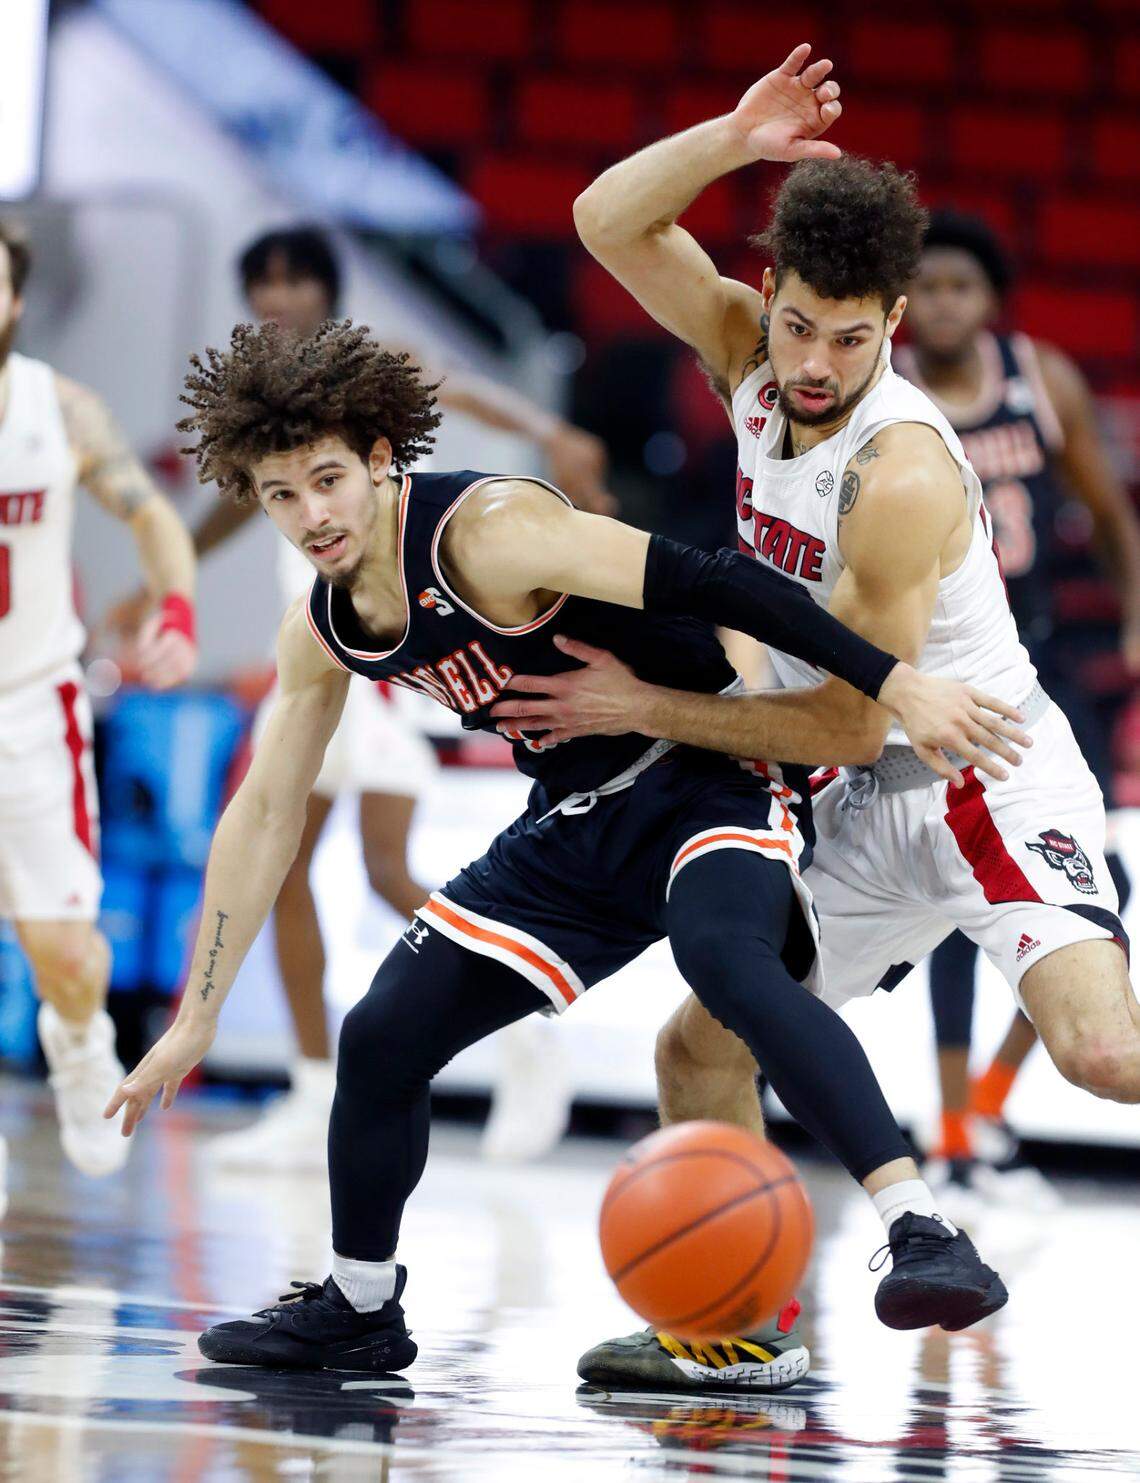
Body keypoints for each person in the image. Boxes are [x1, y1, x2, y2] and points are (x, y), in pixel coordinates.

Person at [106, 310, 1025, 1369]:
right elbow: (264, 811)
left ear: (376, 459)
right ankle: (360, 1306)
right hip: (572, 821)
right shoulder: (322, 627)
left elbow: (714, 577)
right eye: (279, 496)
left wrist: (891, 677)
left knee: (723, 958)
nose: (311, 516)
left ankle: (921, 1227)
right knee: (381, 1038)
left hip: (699, 772)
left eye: (326, 480)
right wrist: (195, 1018)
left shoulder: (491, 534)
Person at [494, 46, 1139, 1395]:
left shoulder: (898, 471)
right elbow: (606, 221)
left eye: (854, 338)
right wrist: (736, 136)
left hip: (979, 777)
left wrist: (636, 703)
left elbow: (852, 723)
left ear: (894, 323)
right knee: (700, 1042)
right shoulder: (748, 353)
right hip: (852, 794)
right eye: (798, 326)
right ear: (767, 298)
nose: (818, 364)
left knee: (1102, 1054)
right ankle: (744, 1328)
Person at [166, 225, 609, 1169]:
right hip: (329, 650)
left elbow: (460, 383)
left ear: (324, 289)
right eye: (264, 282)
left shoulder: (365, 370)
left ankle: (515, 1028)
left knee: (368, 868)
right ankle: (322, 1086)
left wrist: (554, 435)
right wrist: (171, 571)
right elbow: (236, 501)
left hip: (378, 653)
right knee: (327, 873)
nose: (279, 296)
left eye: (296, 279)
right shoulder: (269, 426)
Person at [897, 210, 1140, 1214]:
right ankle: (953, 1135)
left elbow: (1107, 508)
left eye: (965, 285)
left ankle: (982, 1113)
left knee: (1101, 883)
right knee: (965, 891)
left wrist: (1134, 614)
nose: (948, 302)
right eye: (932, 286)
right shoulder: (882, 389)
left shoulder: (1041, 379)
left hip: (1039, 660)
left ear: (992, 299)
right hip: (935, 669)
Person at [0, 220, 197, 1179]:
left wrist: (177, 609)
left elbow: (152, 513)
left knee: (68, 960)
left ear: (17, 301)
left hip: (31, 705)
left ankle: (78, 1045)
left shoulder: (60, 408)